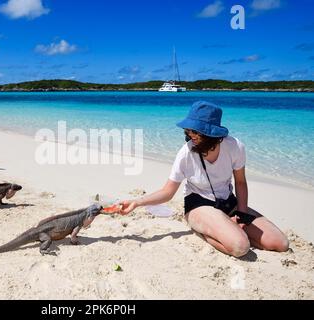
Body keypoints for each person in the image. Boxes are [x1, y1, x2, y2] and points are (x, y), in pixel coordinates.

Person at [119, 101, 289, 257]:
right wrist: (137, 202)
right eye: (188, 130)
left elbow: (240, 182)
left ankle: (227, 229)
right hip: (198, 205)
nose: (189, 134)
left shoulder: (235, 147)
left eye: (195, 131)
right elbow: (167, 192)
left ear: (211, 133)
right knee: (240, 246)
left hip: (228, 202)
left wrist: (241, 216)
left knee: (280, 243)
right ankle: (202, 230)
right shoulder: (185, 153)